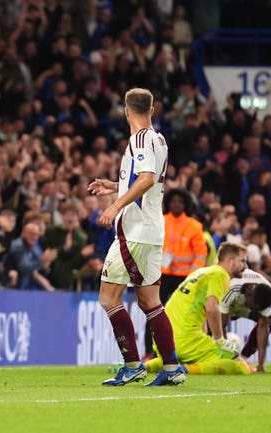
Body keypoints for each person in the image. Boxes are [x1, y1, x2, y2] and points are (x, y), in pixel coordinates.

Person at [87, 87, 185, 386]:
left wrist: (115, 205)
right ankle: (172, 369)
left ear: (126, 111)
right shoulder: (158, 139)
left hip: (136, 232)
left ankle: (132, 365)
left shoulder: (139, 139)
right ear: (152, 110)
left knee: (108, 297)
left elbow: (146, 179)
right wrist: (114, 185)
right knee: (150, 301)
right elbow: (145, 183)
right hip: (152, 230)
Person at [145, 242, 254, 375]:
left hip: (163, 339)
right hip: (186, 341)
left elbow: (201, 310)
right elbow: (211, 308)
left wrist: (205, 338)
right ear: (229, 261)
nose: (246, 266)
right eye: (242, 261)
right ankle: (184, 370)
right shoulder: (220, 274)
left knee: (180, 358)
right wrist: (220, 341)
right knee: (241, 367)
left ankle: (146, 367)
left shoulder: (201, 272)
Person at [144, 187, 207, 354]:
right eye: (173, 201)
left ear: (186, 204)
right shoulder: (160, 220)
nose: (177, 204)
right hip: (161, 275)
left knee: (184, 316)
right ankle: (149, 351)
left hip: (185, 279)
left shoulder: (194, 226)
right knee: (153, 311)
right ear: (168, 203)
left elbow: (201, 253)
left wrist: (193, 275)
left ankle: (181, 351)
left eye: (180, 201)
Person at [220, 268, 271, 372]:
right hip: (223, 303)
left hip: (243, 307)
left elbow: (263, 325)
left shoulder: (266, 289)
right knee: (212, 327)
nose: (257, 310)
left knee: (268, 321)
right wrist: (227, 358)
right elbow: (221, 325)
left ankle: (244, 358)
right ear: (249, 294)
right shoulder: (232, 288)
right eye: (256, 307)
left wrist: (261, 365)